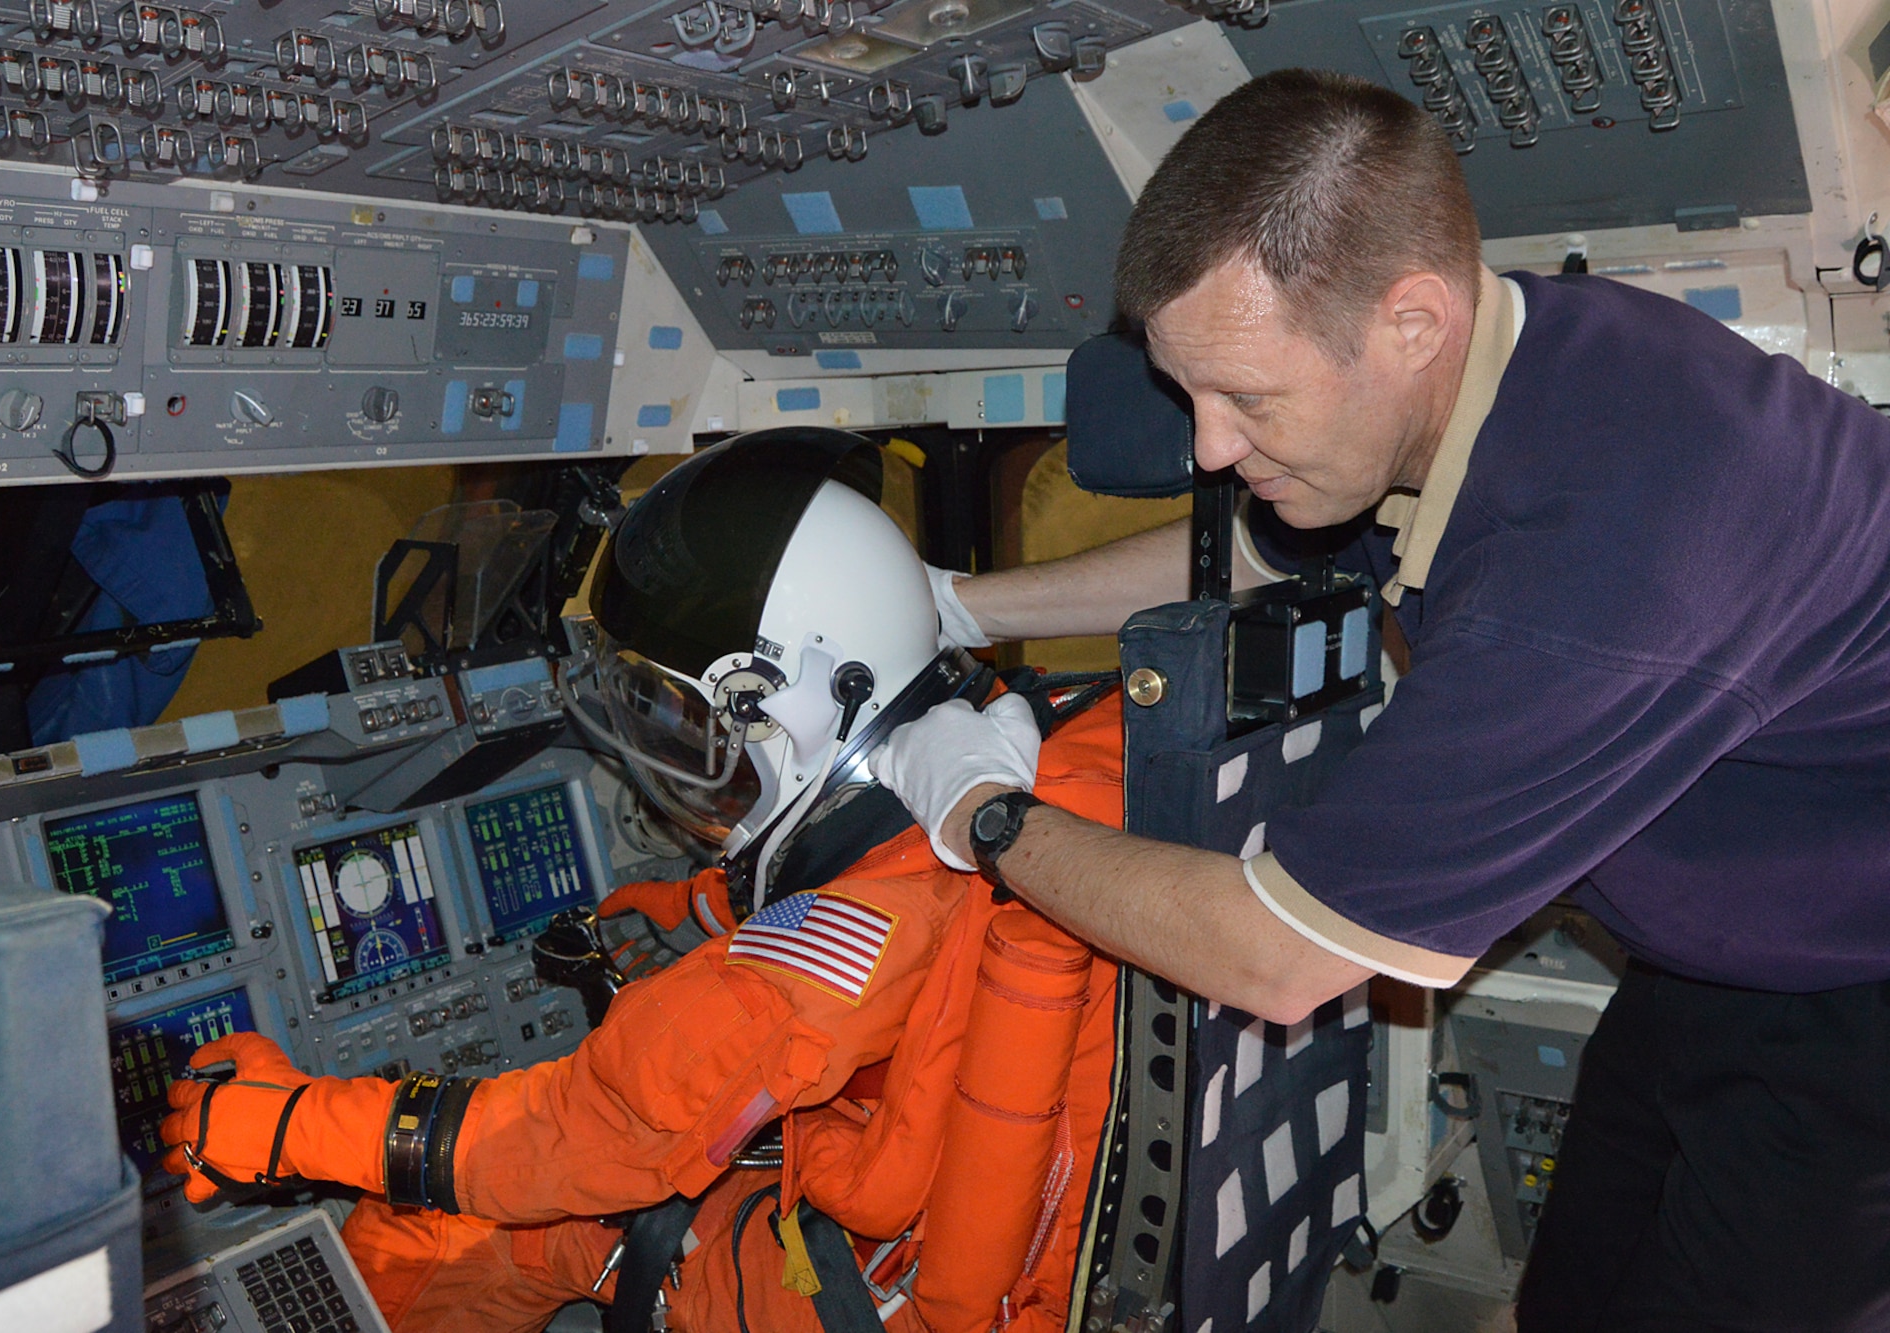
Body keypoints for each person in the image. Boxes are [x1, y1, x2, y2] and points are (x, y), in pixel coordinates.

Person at [873, 68, 1890, 1330]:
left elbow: (1277, 954)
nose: (1205, 448)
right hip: (1723, 955)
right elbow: (1253, 552)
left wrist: (977, 809)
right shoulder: (1513, 366)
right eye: (1189, 393)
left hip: (1858, 1004)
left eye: (1245, 397)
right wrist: (966, 606)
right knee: (1568, 1297)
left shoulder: (1614, 556)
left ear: (1409, 322)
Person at [156, 429, 1140, 1333]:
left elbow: (573, 1133)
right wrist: (693, 910)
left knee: (476, 1227)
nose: (673, 750)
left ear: (775, 707)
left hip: (872, 1290)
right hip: (1017, 1223)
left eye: (689, 720)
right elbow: (860, 889)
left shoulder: (819, 961)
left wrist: (278, 1123)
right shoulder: (1033, 740)